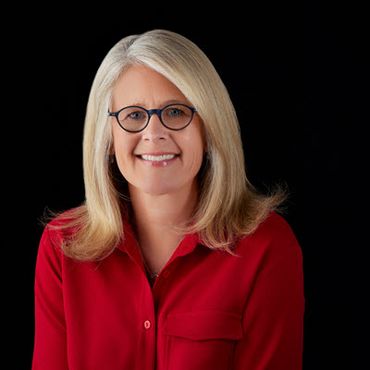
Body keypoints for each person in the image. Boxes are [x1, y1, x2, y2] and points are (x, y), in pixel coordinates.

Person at [32, 29, 304, 370]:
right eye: (133, 115)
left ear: (209, 127)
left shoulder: (267, 246)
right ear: (108, 138)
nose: (154, 132)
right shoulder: (62, 247)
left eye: (175, 112)